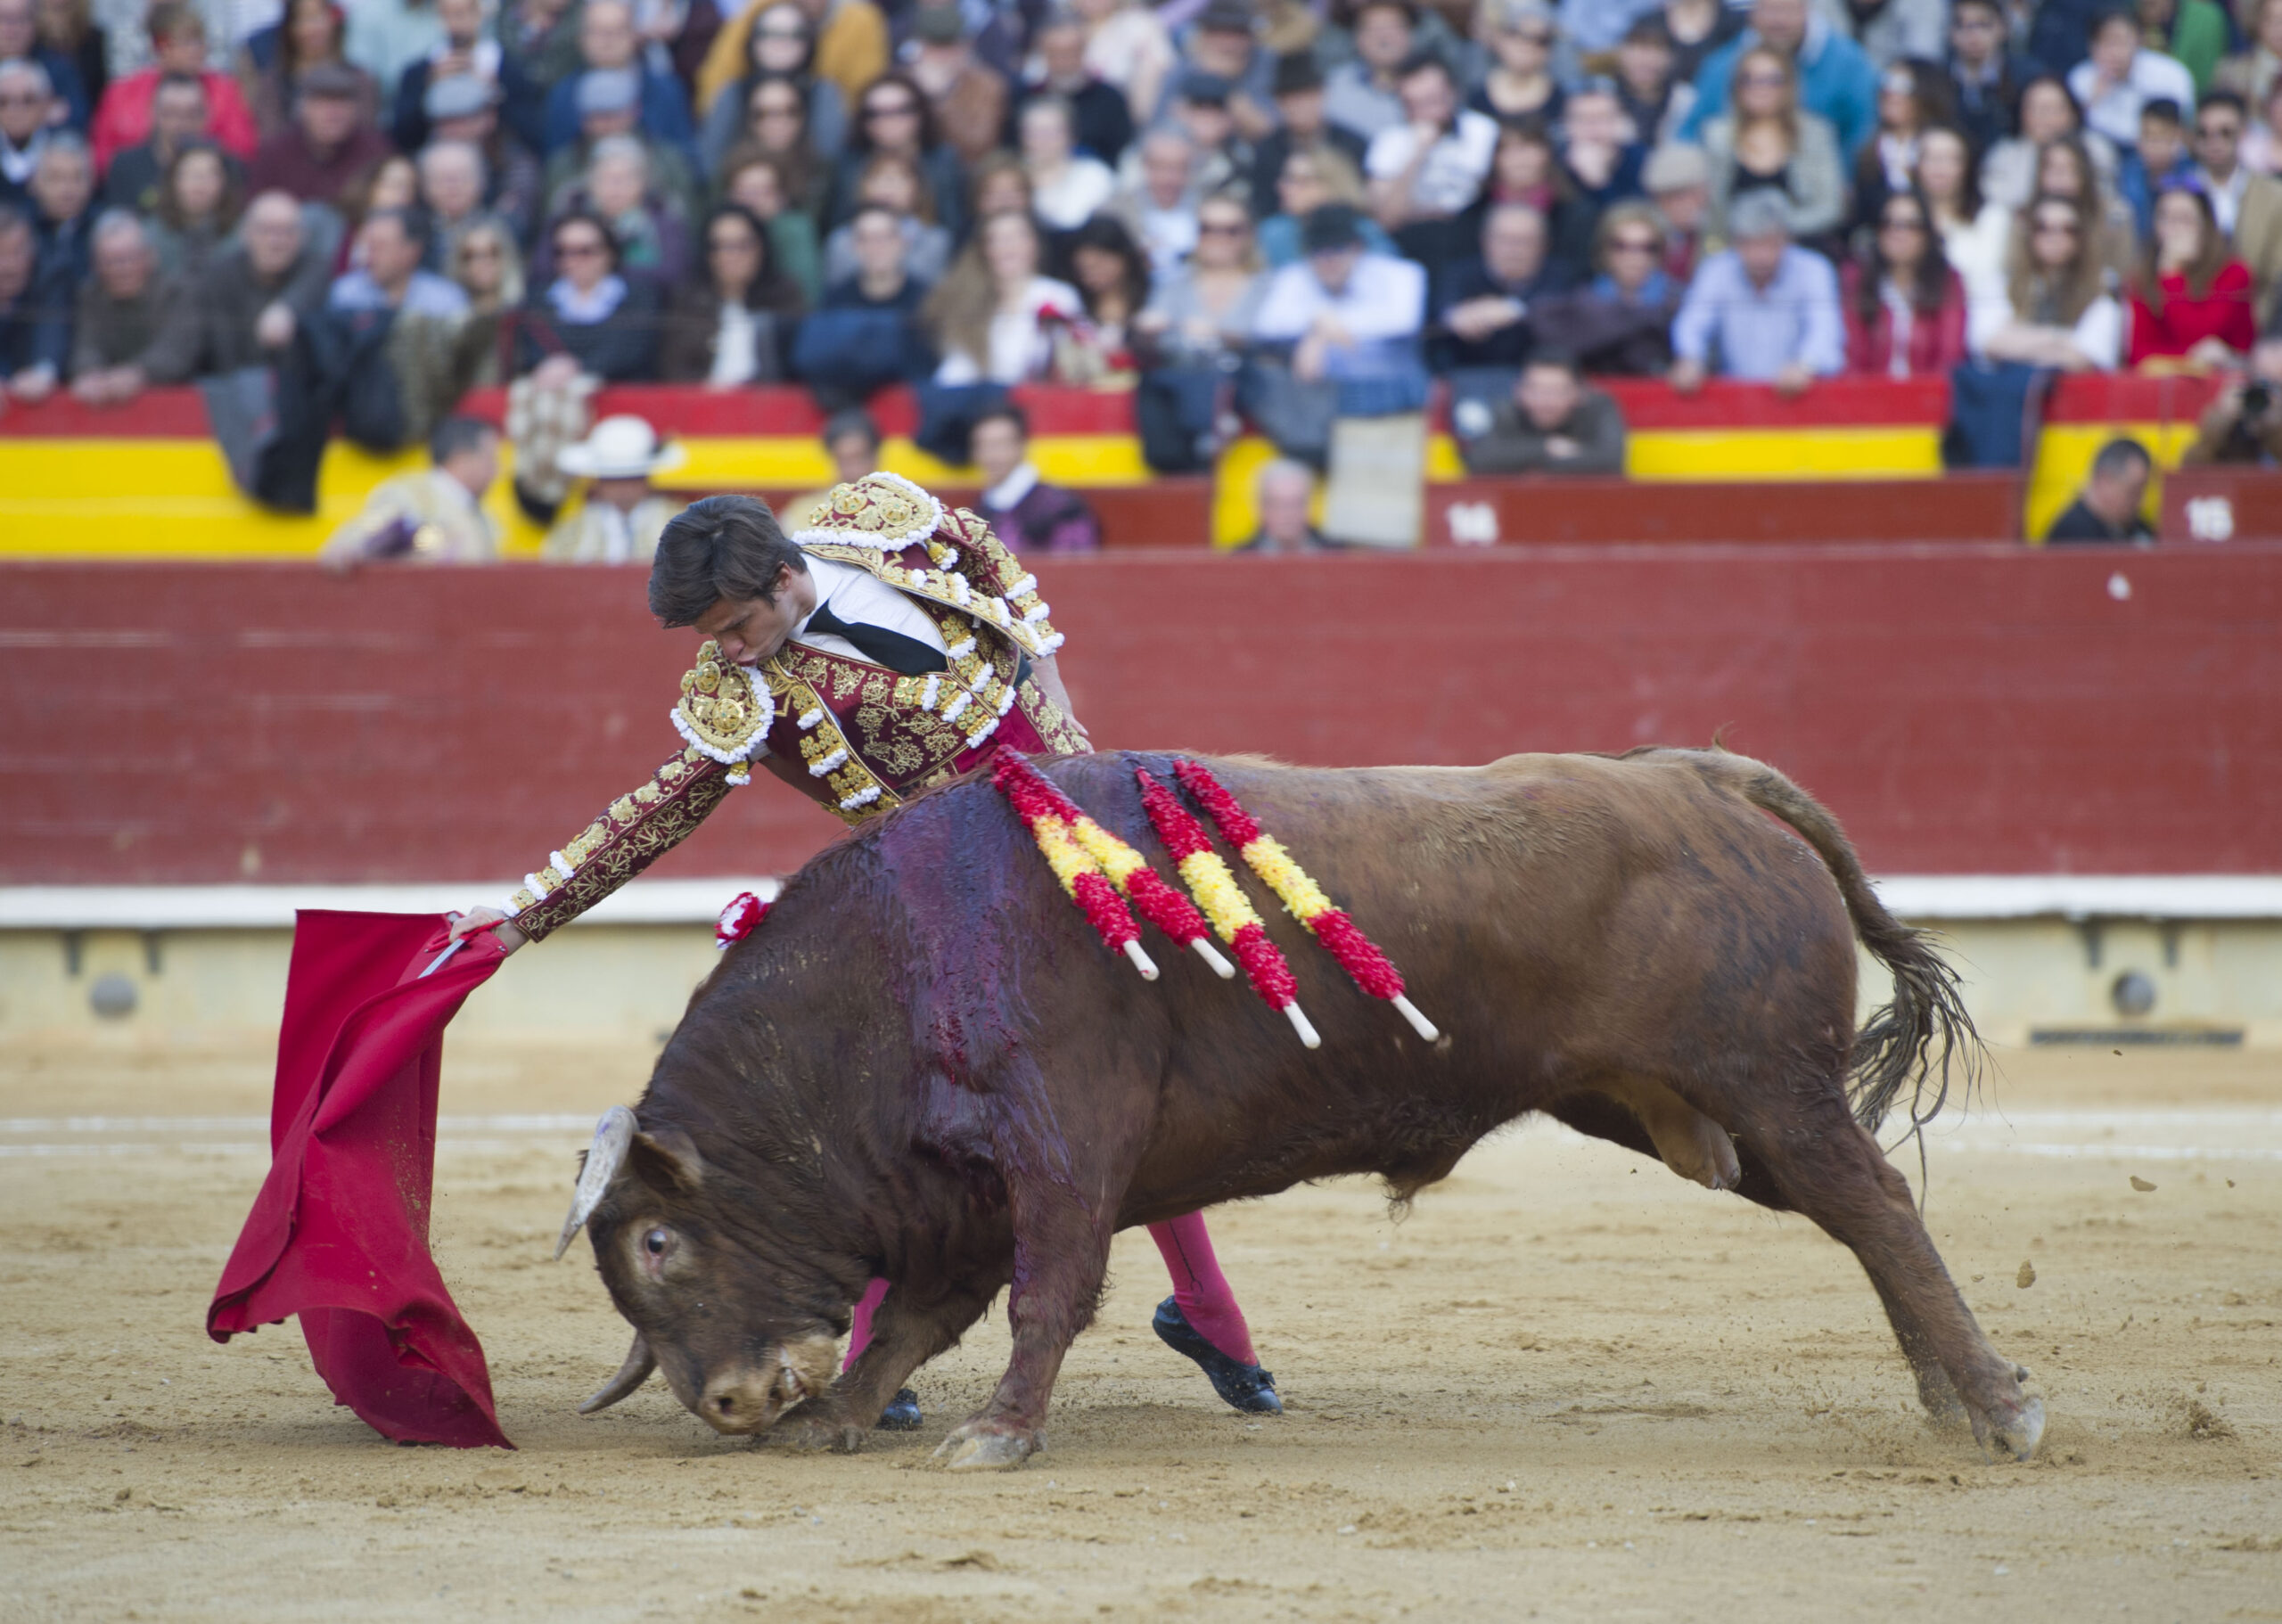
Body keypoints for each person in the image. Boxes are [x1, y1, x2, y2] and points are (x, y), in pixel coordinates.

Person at [447, 481, 1286, 1430]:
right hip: (964, 909)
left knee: (1127, 1084)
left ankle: (1203, 1309)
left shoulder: (880, 524)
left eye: (736, 626)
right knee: (946, 1114)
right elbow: (655, 813)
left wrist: (1047, 676)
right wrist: (523, 916)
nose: (728, 650)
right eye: (712, 637)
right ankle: (885, 1356)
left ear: (784, 575)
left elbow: (983, 547)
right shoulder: (742, 693)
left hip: (1082, 843)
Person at [1669, 188, 1844, 395]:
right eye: (1750, 244)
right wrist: (1690, 358)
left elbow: (1825, 331)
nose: (1760, 256)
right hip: (1735, 399)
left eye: (1769, 243)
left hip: (1802, 397)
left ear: (1787, 240)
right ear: (1735, 242)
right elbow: (1692, 324)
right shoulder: (1716, 270)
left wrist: (1805, 365)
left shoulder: (1814, 269)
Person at [1680, 0, 1880, 162]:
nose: (1779, 21)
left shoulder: (1850, 65)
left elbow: (1863, 134)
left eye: (1788, 10)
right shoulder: (1722, 66)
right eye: (1770, 10)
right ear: (1753, 13)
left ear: (1806, 9)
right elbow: (1689, 132)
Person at [1698, 43, 1846, 248]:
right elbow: (1709, 211)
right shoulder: (1716, 136)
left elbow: (1831, 207)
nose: (1760, 88)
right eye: (1749, 79)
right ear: (1736, 86)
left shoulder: (1815, 134)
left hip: (1799, 247)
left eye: (1771, 80)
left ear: (1789, 85)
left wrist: (1777, 231)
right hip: (1734, 249)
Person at [87, 3, 255, 172]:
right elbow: (102, 154)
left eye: (199, 41)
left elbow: (242, 149)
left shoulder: (224, 91)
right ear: (160, 47)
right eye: (186, 42)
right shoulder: (122, 93)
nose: (198, 50)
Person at [926, 209, 1083, 387]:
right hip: (983, 399)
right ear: (984, 250)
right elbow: (956, 370)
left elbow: (1070, 364)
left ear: (1035, 244)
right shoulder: (969, 301)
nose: (1007, 246)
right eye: (996, 239)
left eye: (1016, 236)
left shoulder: (1058, 296)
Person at [322, 413, 503, 562]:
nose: (495, 471)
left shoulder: (484, 517)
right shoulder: (407, 495)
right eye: (489, 459)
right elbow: (364, 532)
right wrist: (351, 545)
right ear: (461, 458)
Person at [184, 186, 326, 373]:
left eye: (288, 231)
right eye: (266, 230)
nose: (277, 242)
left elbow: (315, 281)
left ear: (302, 237)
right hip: (227, 381)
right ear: (246, 233)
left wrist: (286, 310)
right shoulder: (219, 276)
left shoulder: (314, 268)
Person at [1527, 199, 1680, 374]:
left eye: (1647, 247)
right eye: (1621, 246)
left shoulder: (1682, 302)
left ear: (1661, 252)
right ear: (1604, 250)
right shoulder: (1579, 301)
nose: (1634, 256)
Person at [694, 0, 842, 177]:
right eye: (768, 33)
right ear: (753, 40)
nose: (781, 42)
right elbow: (711, 162)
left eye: (796, 34)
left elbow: (830, 164)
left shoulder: (822, 93)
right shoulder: (734, 91)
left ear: (809, 41)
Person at [1365, 50, 1496, 250]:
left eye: (1433, 100)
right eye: (1414, 105)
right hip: (1412, 241)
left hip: (1474, 238)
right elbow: (1387, 219)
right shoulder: (1390, 141)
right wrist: (1418, 152)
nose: (1427, 113)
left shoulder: (1483, 131)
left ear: (1453, 93)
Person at [660, 201, 801, 387]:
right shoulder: (688, 301)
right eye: (720, 246)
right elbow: (673, 369)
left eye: (743, 245)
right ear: (708, 254)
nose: (732, 255)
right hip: (701, 401)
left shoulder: (785, 297)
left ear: (761, 248)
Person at [1982, 192, 2124, 372]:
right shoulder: (2004, 283)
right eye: (2043, 227)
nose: (2055, 236)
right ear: (2029, 233)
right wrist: (2059, 338)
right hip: (2012, 386)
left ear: (2081, 237)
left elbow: (2084, 357)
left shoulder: (2101, 288)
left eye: (2068, 229)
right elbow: (1989, 342)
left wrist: (2019, 341)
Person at [67, 207, 196, 404]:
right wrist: (90, 373)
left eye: (130, 258)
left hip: (169, 403)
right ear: (96, 265)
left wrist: (137, 374)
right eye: (111, 262)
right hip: (105, 404)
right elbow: (86, 345)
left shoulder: (176, 293)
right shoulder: (90, 296)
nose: (123, 269)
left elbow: (175, 351)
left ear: (150, 257)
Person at [515, 208, 660, 381]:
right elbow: (531, 353)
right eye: (562, 251)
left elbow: (631, 353)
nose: (572, 260)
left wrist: (577, 369)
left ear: (609, 252)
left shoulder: (638, 297)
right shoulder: (538, 299)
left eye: (585, 251)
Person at [540, 0, 694, 160]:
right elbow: (553, 162)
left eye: (618, 31)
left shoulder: (666, 92)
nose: (607, 41)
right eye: (598, 32)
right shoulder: (563, 96)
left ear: (634, 35)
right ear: (581, 38)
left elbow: (685, 159)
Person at [1842, 185, 1968, 377]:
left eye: (1911, 225)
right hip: (1870, 393)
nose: (1898, 233)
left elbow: (1950, 357)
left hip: (1930, 393)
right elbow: (1853, 358)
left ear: (1927, 234)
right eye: (1888, 223)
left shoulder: (1948, 282)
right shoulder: (1857, 279)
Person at [2126, 184, 2254, 367]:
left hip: (2226, 378)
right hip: (2162, 381)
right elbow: (2139, 353)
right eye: (2166, 218)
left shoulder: (2234, 274)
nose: (2175, 229)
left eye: (2185, 219)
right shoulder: (2143, 277)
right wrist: (2171, 273)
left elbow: (2198, 335)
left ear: (2205, 226)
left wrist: (2172, 277)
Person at [1915, 126, 2013, 356]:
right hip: (1919, 325)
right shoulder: (1898, 223)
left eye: (1951, 159)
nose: (1940, 168)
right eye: (1931, 158)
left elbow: (1988, 283)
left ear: (1968, 166)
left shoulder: (1994, 218)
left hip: (1980, 324)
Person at [833, 69, 966, 238]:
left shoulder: (943, 162)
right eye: (875, 113)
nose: (888, 120)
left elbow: (954, 228)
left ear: (920, 113)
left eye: (901, 110)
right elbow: (837, 226)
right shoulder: (849, 163)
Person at [1436, 200, 1565, 374]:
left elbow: (1562, 312)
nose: (1514, 250)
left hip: (1540, 377)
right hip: (1470, 373)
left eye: (1525, 241)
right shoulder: (1460, 274)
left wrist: (1513, 308)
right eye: (1504, 239)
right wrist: (1456, 317)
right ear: (1484, 241)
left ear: (1545, 245)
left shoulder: (1562, 276)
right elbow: (1442, 313)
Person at [1453, 349, 1627, 474]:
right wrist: (1546, 447)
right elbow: (1479, 458)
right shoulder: (1505, 411)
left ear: (1579, 392)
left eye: (1556, 391)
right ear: (1518, 391)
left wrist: (1529, 464)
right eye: (1535, 390)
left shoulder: (1599, 408)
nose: (1545, 401)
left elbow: (1610, 460)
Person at [541, 414, 684, 562]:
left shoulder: (681, 525)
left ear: (646, 480)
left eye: (632, 479)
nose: (623, 489)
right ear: (599, 483)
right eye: (613, 481)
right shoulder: (572, 532)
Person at [2190, 90, 2282, 323]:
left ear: (2243, 134)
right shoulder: (2179, 193)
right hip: (2188, 321)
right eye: (2205, 133)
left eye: (2225, 132)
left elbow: (2276, 277)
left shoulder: (2273, 197)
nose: (2215, 142)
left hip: (2256, 322)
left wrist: (2247, 326)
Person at [243, 62, 390, 206]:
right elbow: (255, 207)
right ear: (303, 108)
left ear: (356, 109)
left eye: (342, 102)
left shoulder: (374, 152)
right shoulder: (275, 153)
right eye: (323, 102)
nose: (334, 113)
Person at [1006, 7, 1132, 168]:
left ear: (1084, 49)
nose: (1064, 60)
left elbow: (1121, 156)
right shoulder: (1022, 98)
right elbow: (1011, 155)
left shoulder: (1111, 100)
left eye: (1072, 51)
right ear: (1042, 52)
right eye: (1055, 52)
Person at [971, 401, 1102, 554]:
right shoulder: (981, 510)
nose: (991, 455)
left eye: (1000, 445)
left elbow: (1075, 561)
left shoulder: (1059, 507)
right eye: (983, 445)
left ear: (1021, 445)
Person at [2068, 6, 2196, 151]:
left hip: (2157, 151)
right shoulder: (2081, 78)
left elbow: (2184, 129)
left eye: (2122, 41)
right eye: (2107, 42)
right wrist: (2091, 101)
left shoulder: (2171, 74)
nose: (2115, 51)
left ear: (2139, 40)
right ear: (2092, 46)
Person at [249, 0, 379, 141]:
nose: (314, 28)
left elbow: (366, 134)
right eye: (304, 19)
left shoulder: (359, 80)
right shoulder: (273, 84)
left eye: (319, 17)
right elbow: (270, 137)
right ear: (290, 28)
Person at [1982, 73, 2112, 213]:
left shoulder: (2096, 149)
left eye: (2053, 109)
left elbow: (2105, 196)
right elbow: (1996, 199)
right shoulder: (2003, 156)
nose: (2045, 117)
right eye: (2036, 109)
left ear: (2072, 113)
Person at [1252, 49, 1362, 205]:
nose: (1297, 105)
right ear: (1277, 103)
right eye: (1287, 98)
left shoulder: (1352, 145)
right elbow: (1264, 204)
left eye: (1306, 96)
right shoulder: (1267, 150)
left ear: (1322, 95)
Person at [1257, 141, 1390, 267]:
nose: (1282, 187)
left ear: (1333, 185)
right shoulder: (1274, 232)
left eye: (1299, 181)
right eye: (1286, 179)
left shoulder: (1363, 232)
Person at [905, 3, 1006, 168]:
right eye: (935, 47)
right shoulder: (903, 84)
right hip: (912, 171)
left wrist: (943, 97)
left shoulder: (987, 85)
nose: (943, 55)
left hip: (967, 174)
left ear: (966, 46)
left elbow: (977, 145)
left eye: (950, 46)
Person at [100, 70, 209, 213]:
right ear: (153, 113)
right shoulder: (126, 166)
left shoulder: (224, 167)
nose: (181, 123)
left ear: (205, 116)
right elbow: (119, 221)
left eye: (191, 114)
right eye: (171, 113)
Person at [329, 206, 467, 317]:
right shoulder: (346, 293)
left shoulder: (445, 301)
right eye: (368, 246)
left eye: (379, 247)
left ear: (411, 251)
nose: (369, 256)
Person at [1017, 93, 1114, 233]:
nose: (1043, 140)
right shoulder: (1011, 177)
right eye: (1034, 132)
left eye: (1051, 132)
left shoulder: (1095, 176)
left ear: (1072, 135)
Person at [0, 199, 67, 399]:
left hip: (33, 398)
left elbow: (52, 335)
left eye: (17, 252)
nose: (8, 267)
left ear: (33, 250)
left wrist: (41, 374)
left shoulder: (51, 277)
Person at [1324, 0, 1416, 143]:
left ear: (1409, 34)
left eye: (1393, 26)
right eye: (1374, 28)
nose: (1384, 37)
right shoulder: (1335, 87)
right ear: (1357, 38)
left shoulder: (1432, 83)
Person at [2182, 337, 2282, 462]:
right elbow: (2192, 464)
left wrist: (2274, 422)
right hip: (2222, 464)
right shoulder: (2219, 410)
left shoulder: (2274, 411)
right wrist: (2222, 415)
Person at [784, 404, 882, 526]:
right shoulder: (803, 513)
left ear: (875, 456)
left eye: (861, 458)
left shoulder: (896, 506)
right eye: (845, 461)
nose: (854, 471)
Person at [2045, 434, 2155, 540]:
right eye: (2133, 492)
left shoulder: (2135, 526)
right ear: (2104, 481)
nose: (2141, 502)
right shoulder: (2072, 534)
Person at [1470, 0, 1561, 127]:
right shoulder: (1476, 97)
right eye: (1517, 34)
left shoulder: (1562, 101)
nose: (1527, 46)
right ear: (1499, 37)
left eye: (1540, 40)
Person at [2116, 96, 2196, 240]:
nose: (2151, 145)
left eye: (2160, 137)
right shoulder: (2127, 173)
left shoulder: (2192, 175)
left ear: (2178, 136)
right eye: (2146, 135)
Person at [1641, 137, 1707, 282]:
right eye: (1671, 197)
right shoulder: (1648, 239)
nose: (1682, 205)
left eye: (1689, 193)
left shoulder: (1717, 233)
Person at [1235, 455, 1332, 550]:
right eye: (1278, 505)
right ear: (1261, 507)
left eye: (1296, 504)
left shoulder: (1335, 553)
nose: (1288, 514)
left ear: (1311, 506)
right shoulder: (1239, 557)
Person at [0, 58, 56, 212]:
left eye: (27, 100)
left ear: (46, 103)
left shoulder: (61, 152)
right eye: (4, 101)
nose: (15, 111)